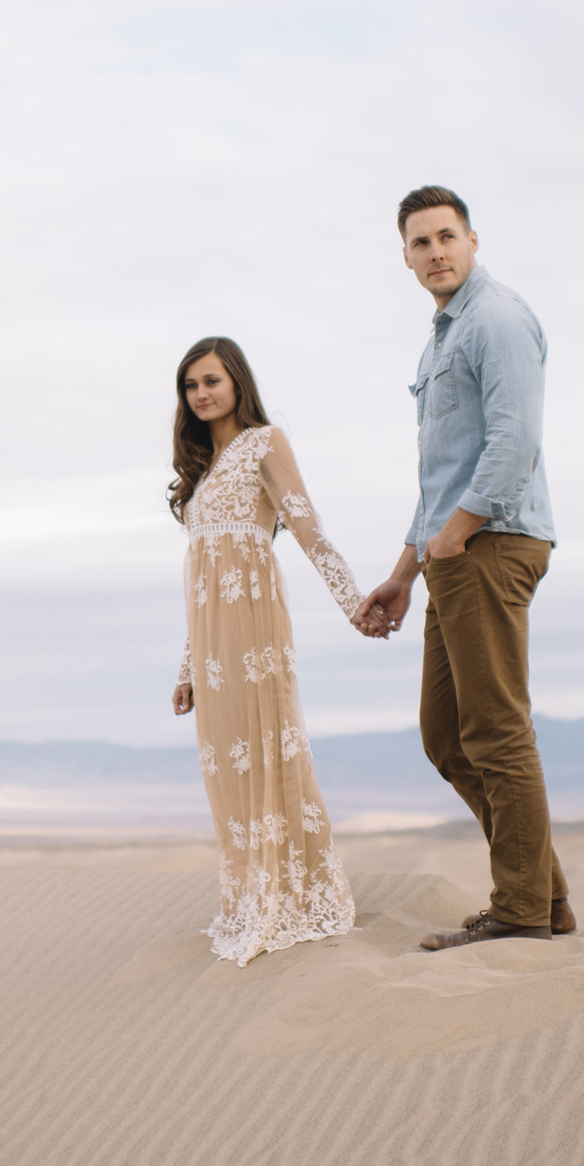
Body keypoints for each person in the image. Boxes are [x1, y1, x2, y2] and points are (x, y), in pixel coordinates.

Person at [355, 186, 577, 948]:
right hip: (452, 550)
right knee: (446, 734)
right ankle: (542, 892)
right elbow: (439, 477)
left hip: (494, 541)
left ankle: (521, 906)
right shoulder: (440, 340)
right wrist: (405, 570)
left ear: (474, 239)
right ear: (406, 255)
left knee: (497, 730)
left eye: (446, 236)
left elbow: (512, 445)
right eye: (419, 243)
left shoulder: (498, 320)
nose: (435, 253)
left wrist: (454, 539)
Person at [169, 336, 372, 965]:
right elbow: (202, 578)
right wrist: (187, 666)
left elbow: (308, 528)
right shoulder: (203, 468)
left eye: (211, 381)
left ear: (236, 382)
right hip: (212, 645)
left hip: (254, 626)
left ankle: (300, 893)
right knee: (227, 767)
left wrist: (354, 602)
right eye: (191, 386)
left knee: (271, 746)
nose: (201, 394)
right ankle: (253, 893)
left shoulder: (264, 443)